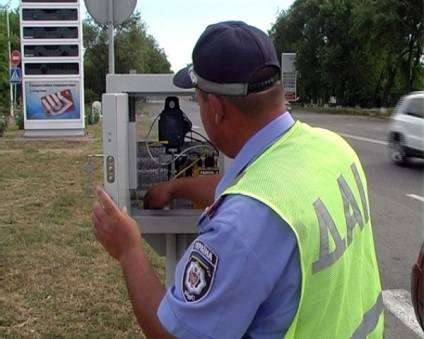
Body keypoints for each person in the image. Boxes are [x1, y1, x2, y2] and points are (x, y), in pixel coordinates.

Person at [91, 21, 384, 338]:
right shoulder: (332, 148)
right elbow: (252, 188)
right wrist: (174, 187)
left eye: (199, 102)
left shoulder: (239, 228)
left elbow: (172, 334)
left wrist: (129, 250)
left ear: (215, 109)